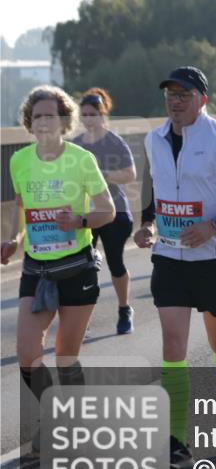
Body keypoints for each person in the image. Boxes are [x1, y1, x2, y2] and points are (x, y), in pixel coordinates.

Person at [134, 66, 216, 469]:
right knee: (173, 347)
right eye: (170, 95)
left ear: (202, 100)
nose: (175, 101)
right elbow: (153, 188)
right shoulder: (154, 139)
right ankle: (177, 441)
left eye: (183, 95)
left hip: (213, 258)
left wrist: (214, 225)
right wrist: (147, 224)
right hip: (170, 258)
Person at [3, 86, 116, 451]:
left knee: (67, 355)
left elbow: (108, 211)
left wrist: (81, 219)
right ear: (29, 123)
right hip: (36, 270)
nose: (44, 122)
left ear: (64, 121)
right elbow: (21, 210)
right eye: (37, 116)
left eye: (51, 115)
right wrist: (14, 239)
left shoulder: (81, 159)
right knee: (27, 353)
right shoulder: (19, 161)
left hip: (76, 269)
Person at [73, 88, 137, 335]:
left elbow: (130, 174)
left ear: (103, 115)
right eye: (85, 115)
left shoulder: (114, 142)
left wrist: (102, 177)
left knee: (115, 262)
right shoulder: (76, 145)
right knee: (84, 267)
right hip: (86, 214)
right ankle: (82, 320)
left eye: (93, 114)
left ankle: (124, 309)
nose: (89, 119)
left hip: (115, 212)